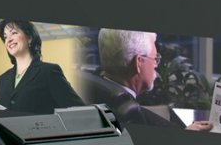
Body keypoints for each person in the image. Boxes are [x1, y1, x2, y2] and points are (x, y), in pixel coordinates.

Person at [83, 28, 212, 131]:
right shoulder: (132, 115)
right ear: (139, 62)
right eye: (155, 58)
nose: (156, 64)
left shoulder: (89, 90)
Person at [0, 19, 84, 113]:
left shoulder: (49, 72)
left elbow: (79, 111)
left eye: (14, 33)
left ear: (29, 38)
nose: (9, 40)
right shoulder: (1, 80)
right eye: (5, 37)